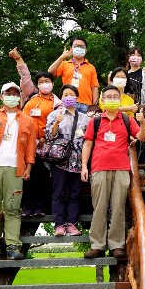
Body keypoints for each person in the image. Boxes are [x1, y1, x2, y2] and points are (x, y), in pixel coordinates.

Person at [81, 85, 145, 259]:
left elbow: (142, 137)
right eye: (108, 97)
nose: (111, 99)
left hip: (121, 168)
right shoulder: (95, 121)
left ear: (120, 100)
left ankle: (117, 245)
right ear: (102, 100)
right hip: (98, 168)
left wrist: (142, 122)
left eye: (114, 97)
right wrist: (83, 166)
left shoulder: (127, 119)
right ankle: (97, 245)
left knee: (118, 208)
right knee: (99, 208)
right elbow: (87, 144)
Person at [0, 82, 36, 261]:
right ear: (2, 96)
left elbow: (30, 149)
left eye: (15, 93)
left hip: (15, 168)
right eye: (8, 93)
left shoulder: (28, 120)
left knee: (13, 209)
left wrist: (28, 167)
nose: (12, 96)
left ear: (19, 97)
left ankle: (13, 245)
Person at [9, 48, 61, 217]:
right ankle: (26, 207)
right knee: (26, 176)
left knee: (42, 175)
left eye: (47, 81)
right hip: (26, 142)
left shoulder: (58, 102)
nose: (44, 83)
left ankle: (40, 207)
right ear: (37, 84)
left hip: (47, 144)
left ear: (52, 83)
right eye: (41, 81)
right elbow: (25, 78)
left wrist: (46, 138)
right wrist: (19, 60)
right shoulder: (30, 97)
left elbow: (58, 123)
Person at [45, 85, 91, 236]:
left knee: (75, 193)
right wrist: (57, 122)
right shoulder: (54, 115)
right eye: (66, 94)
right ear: (62, 97)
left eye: (72, 94)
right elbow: (49, 137)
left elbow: (88, 138)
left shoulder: (85, 118)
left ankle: (72, 224)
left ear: (76, 97)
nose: (69, 97)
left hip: (77, 159)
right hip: (60, 160)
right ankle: (59, 225)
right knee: (58, 192)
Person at [48, 36, 99, 113]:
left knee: (84, 125)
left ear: (86, 50)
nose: (79, 48)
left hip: (86, 105)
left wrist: (94, 105)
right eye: (76, 46)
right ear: (71, 49)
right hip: (68, 102)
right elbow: (50, 72)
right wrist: (61, 58)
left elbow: (94, 87)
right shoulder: (64, 64)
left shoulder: (91, 67)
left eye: (82, 46)